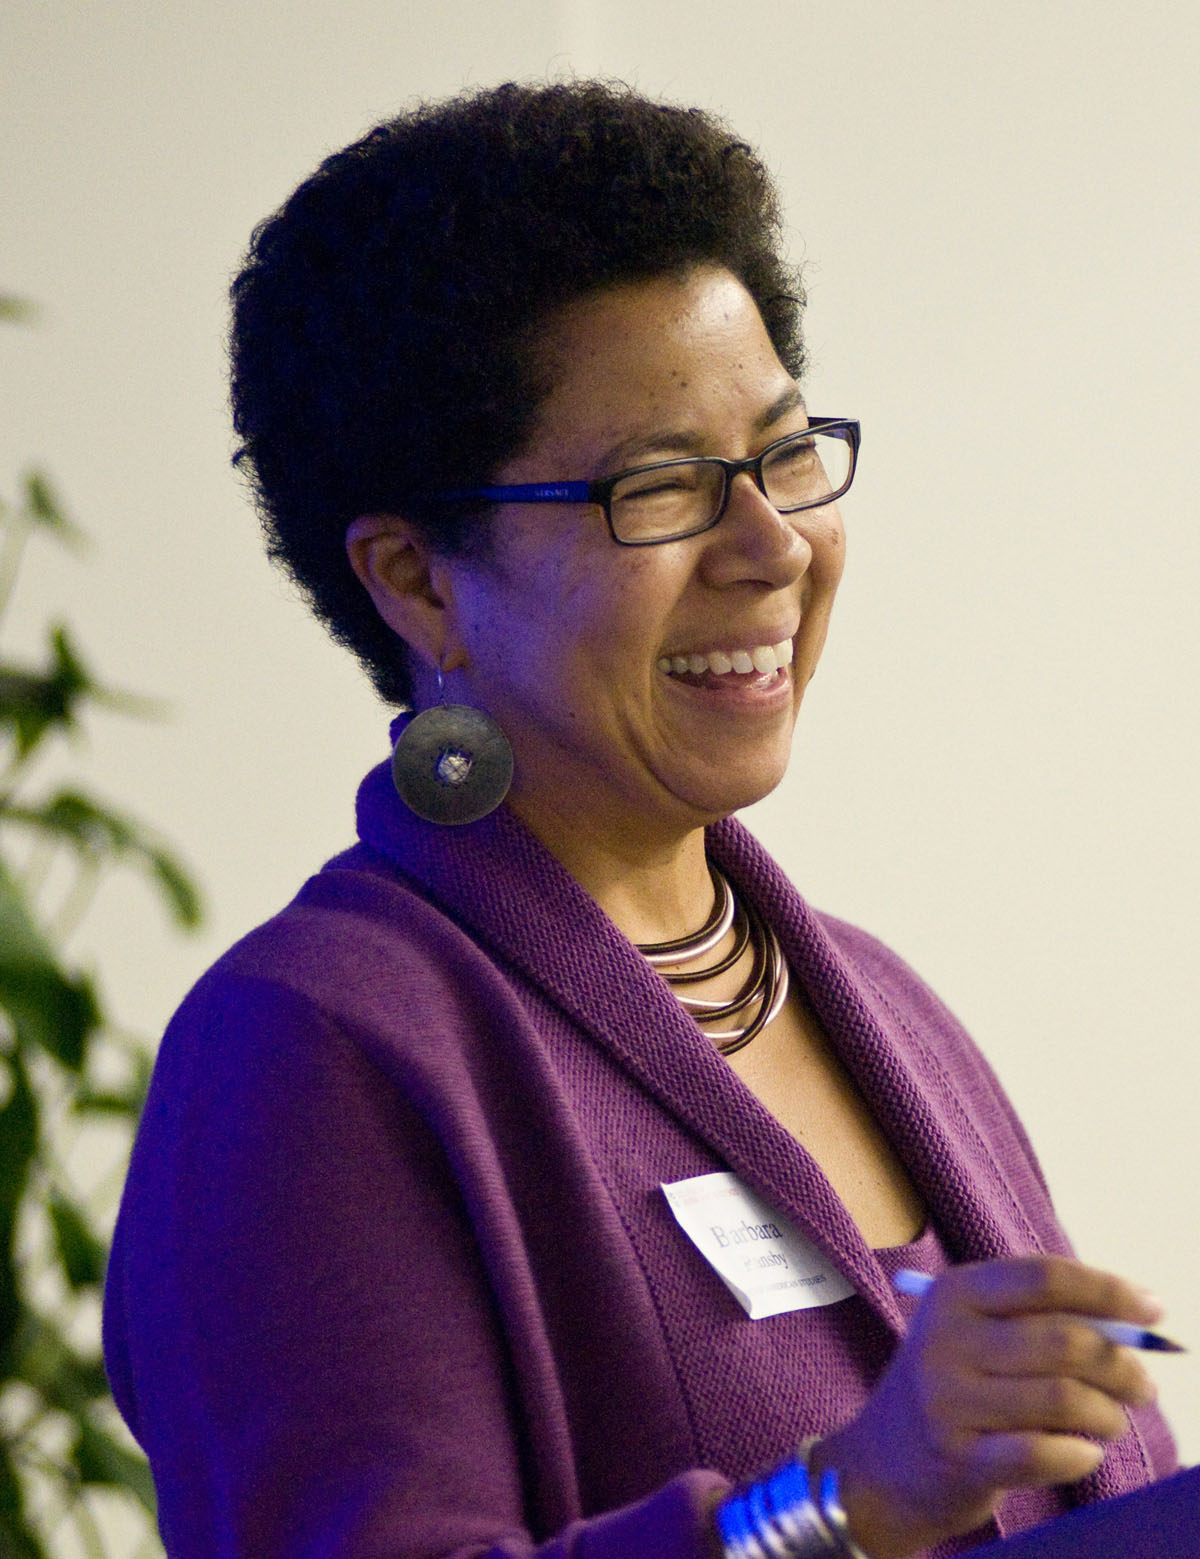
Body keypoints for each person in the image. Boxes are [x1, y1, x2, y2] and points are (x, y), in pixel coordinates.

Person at [103, 81, 1176, 1559]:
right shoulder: (309, 1051)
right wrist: (844, 1503)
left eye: (785, 454)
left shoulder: (884, 1007)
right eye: (659, 488)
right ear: (416, 580)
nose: (771, 545)